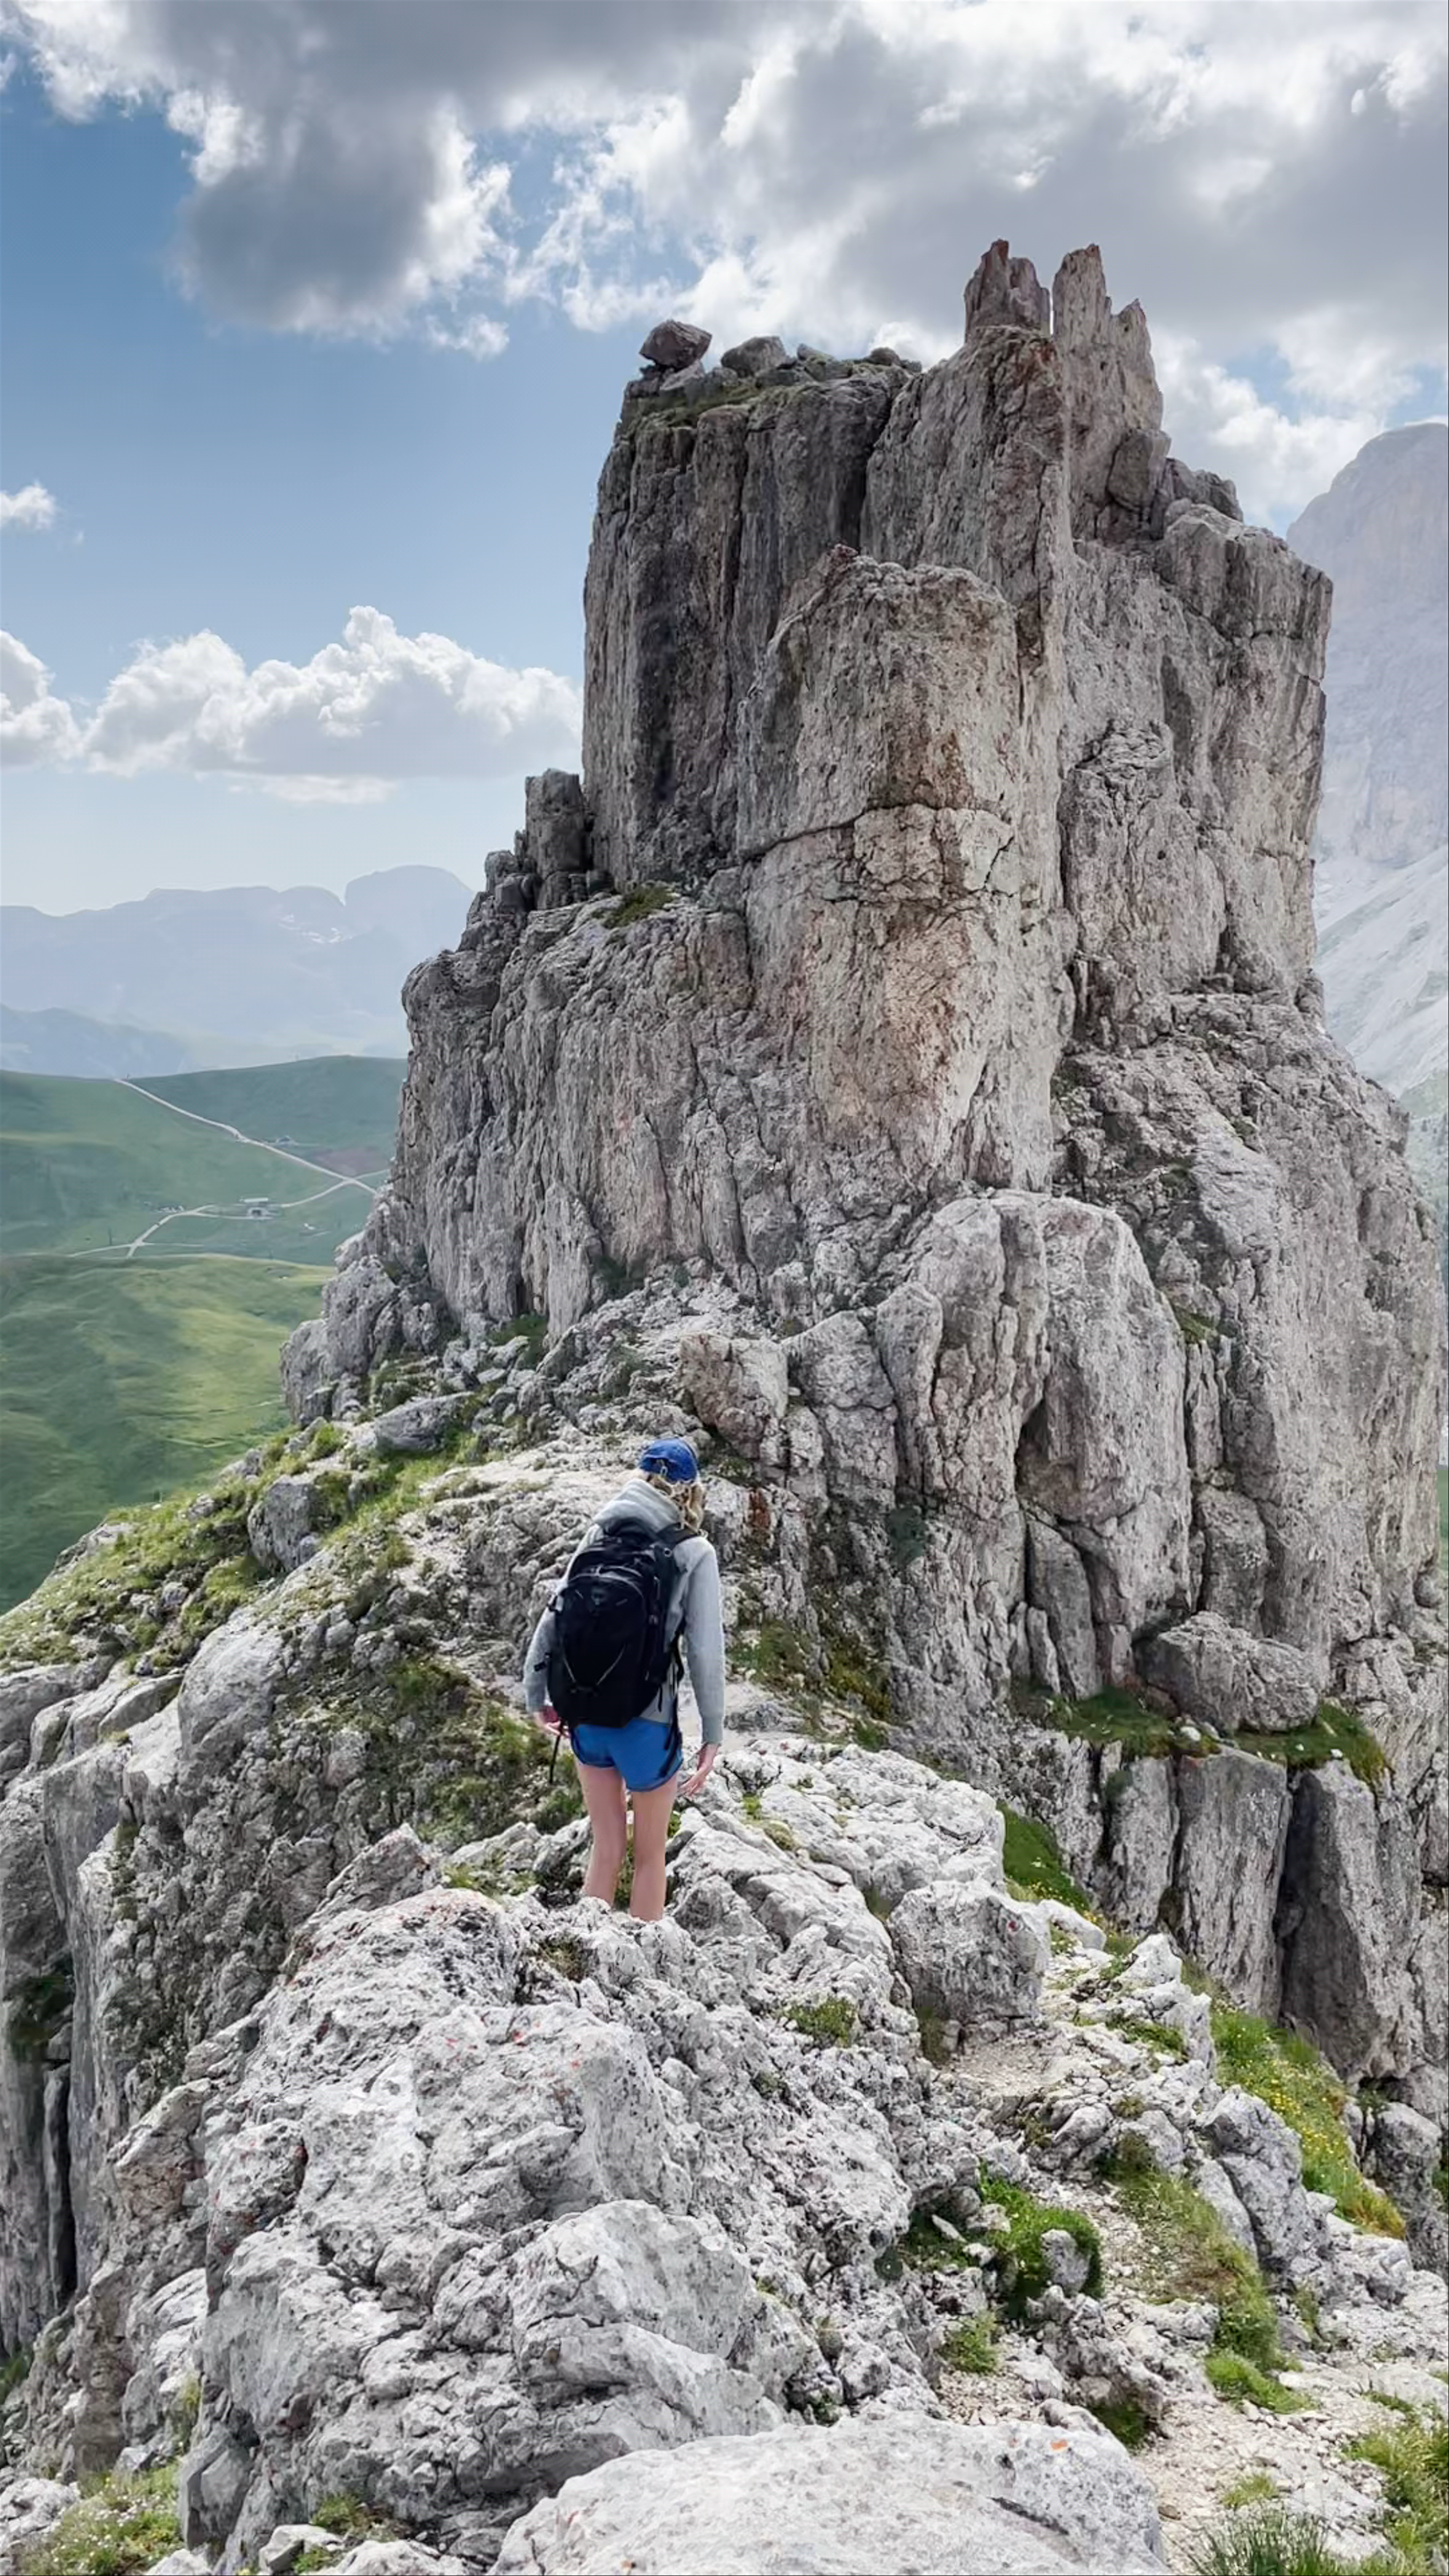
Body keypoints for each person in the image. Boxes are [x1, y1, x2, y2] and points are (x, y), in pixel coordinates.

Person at [524, 1438, 725, 1922]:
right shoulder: (693, 1551)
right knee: (650, 1857)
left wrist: (537, 1698)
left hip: (585, 1717)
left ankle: (587, 1950)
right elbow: (704, 1652)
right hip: (646, 1724)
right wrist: (713, 1734)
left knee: (607, 1846)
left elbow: (553, 1618)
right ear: (688, 1492)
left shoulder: (598, 1533)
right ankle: (644, 1975)